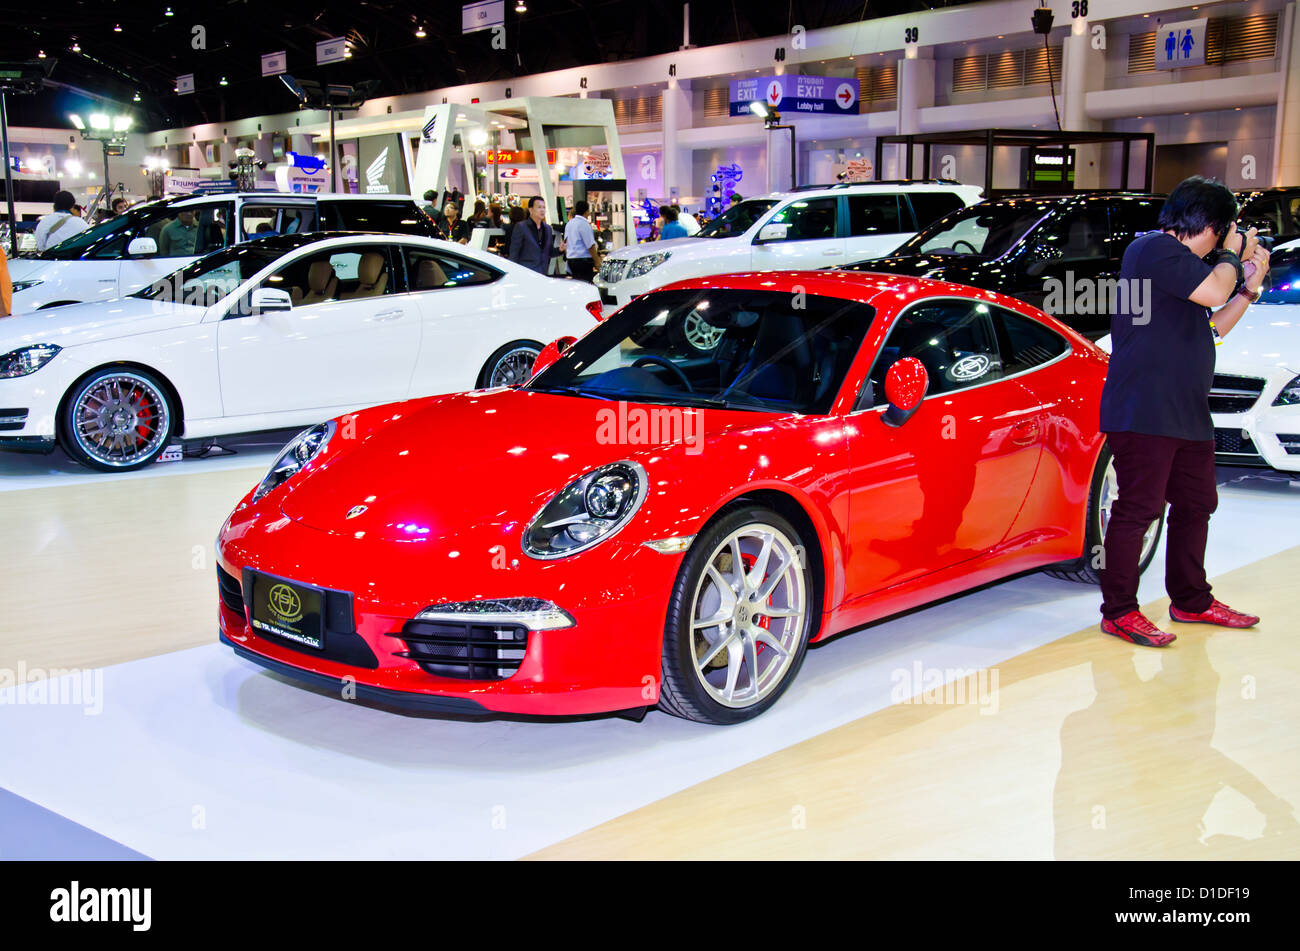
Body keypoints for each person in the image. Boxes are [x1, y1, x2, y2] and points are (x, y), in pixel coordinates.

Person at [1097, 176, 1271, 647]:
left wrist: (1249, 290)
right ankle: (1119, 611)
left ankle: (1191, 600)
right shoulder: (1153, 249)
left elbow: (1212, 328)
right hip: (1144, 409)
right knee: (1139, 510)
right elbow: (1215, 292)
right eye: (1229, 228)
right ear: (1215, 225)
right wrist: (1232, 255)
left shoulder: (1185, 270)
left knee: (1196, 505)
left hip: (1186, 412)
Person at [507, 196, 561, 274]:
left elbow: (549, 252)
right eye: (539, 207)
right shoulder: (521, 227)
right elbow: (514, 254)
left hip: (542, 274)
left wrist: (560, 250)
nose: (542, 210)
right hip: (525, 274)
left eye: (544, 207)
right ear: (531, 210)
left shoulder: (548, 229)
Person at [563, 200, 600, 282]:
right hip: (583, 262)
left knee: (575, 283)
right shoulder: (584, 224)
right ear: (587, 211)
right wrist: (597, 262)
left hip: (571, 261)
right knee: (585, 284)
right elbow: (590, 245)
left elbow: (566, 242)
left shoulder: (569, 224)